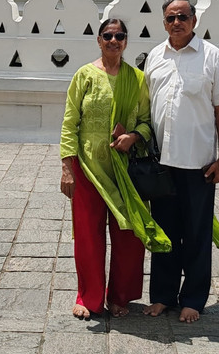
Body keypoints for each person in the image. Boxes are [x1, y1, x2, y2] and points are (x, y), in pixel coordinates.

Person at [60, 17, 168, 319]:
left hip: (126, 169)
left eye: (119, 36)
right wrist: (67, 167)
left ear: (126, 42)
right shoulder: (84, 75)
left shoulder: (137, 79)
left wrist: (133, 137)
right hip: (88, 167)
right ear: (99, 40)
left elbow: (147, 122)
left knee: (129, 237)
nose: (113, 41)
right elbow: (70, 122)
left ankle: (120, 296)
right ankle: (89, 297)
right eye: (107, 36)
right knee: (88, 236)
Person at [142, 0, 219, 323]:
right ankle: (163, 296)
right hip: (162, 163)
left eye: (183, 17)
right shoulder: (155, 56)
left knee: (196, 233)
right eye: (170, 18)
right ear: (163, 22)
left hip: (199, 164)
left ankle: (193, 299)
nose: (177, 23)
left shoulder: (212, 57)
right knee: (164, 232)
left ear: (194, 21)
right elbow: (147, 107)